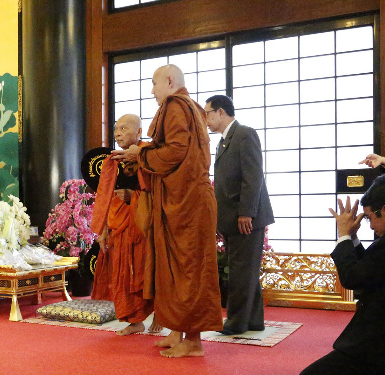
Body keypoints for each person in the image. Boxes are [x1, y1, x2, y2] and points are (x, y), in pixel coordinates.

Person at [111, 64, 222, 357]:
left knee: (189, 270)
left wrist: (141, 153)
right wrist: (139, 158)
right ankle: (176, 331)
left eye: (154, 83)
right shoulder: (188, 106)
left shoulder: (175, 105)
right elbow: (175, 152)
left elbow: (175, 152)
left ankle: (193, 342)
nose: (152, 91)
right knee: (173, 269)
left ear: (170, 81)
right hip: (182, 201)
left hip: (188, 204)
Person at [297, 175, 385, 375]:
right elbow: (370, 270)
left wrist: (344, 235)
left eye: (369, 218)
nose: (370, 225)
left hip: (380, 339)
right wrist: (353, 238)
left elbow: (352, 278)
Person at [204, 95, 274, 335]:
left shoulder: (244, 134)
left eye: (208, 114)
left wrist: (246, 212)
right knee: (245, 269)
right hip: (232, 217)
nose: (206, 120)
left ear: (221, 112)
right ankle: (253, 321)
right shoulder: (224, 141)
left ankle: (236, 323)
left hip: (246, 218)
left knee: (241, 271)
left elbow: (253, 177)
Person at [91, 114, 159, 335]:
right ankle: (135, 321)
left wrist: (132, 196)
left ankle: (160, 315)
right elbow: (105, 197)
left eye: (123, 129)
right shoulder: (112, 161)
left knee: (144, 272)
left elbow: (158, 191)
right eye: (116, 129)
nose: (117, 134)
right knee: (122, 275)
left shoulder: (149, 156)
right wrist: (103, 229)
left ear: (139, 132)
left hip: (142, 226)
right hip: (119, 224)